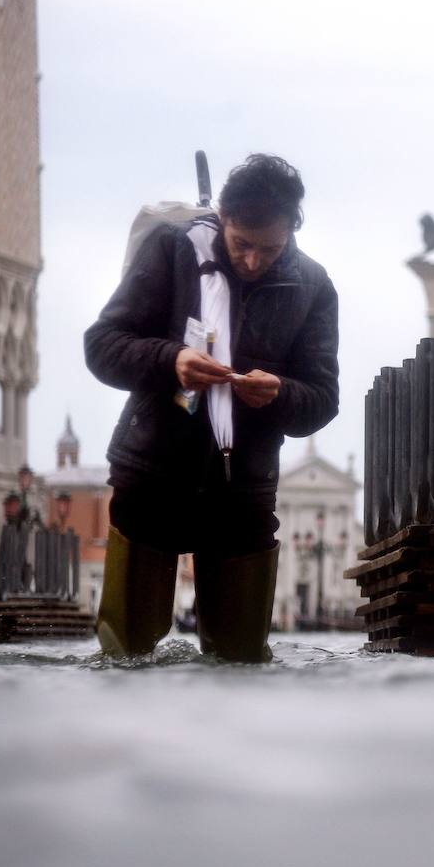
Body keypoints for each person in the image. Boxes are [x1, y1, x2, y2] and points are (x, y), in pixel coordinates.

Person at [85, 154, 339, 662]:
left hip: (242, 494)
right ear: (223, 216)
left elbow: (322, 400)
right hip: (152, 475)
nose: (251, 261)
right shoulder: (170, 252)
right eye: (241, 243)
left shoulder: (312, 286)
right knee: (124, 656)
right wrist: (170, 359)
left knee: (241, 661)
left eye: (269, 248)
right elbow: (102, 346)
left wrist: (280, 394)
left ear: (292, 229)